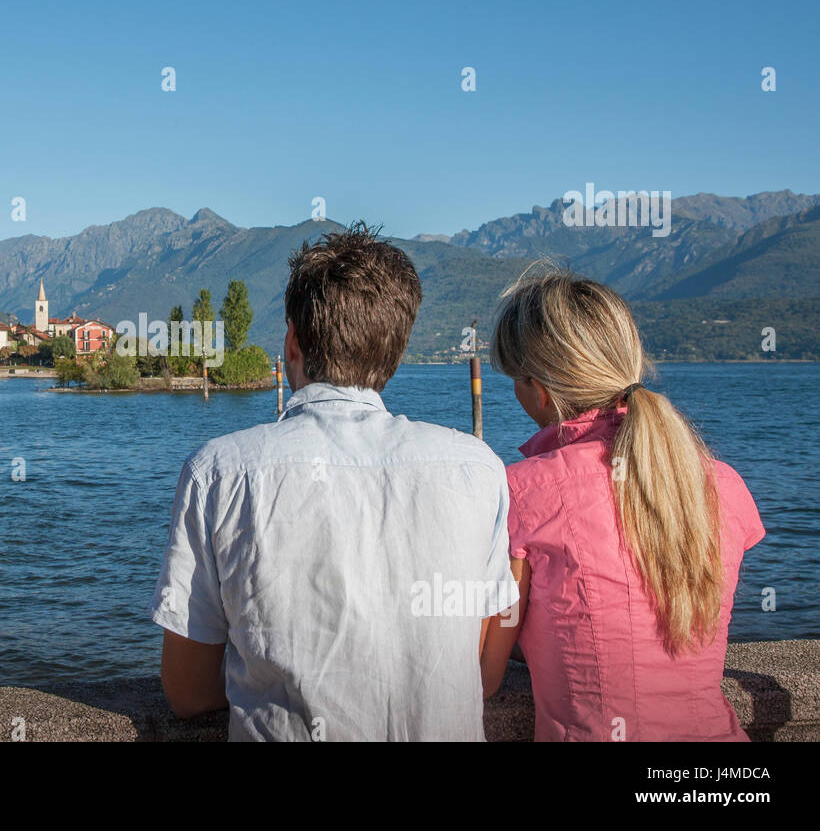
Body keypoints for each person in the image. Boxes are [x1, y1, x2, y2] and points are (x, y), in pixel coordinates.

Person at [148, 222, 518, 741]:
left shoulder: (219, 472)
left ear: (292, 342)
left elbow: (188, 694)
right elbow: (477, 660)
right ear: (396, 348)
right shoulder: (477, 469)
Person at [480, 268, 766, 741]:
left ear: (540, 389)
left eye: (516, 378)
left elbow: (488, 673)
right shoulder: (722, 484)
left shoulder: (523, 493)